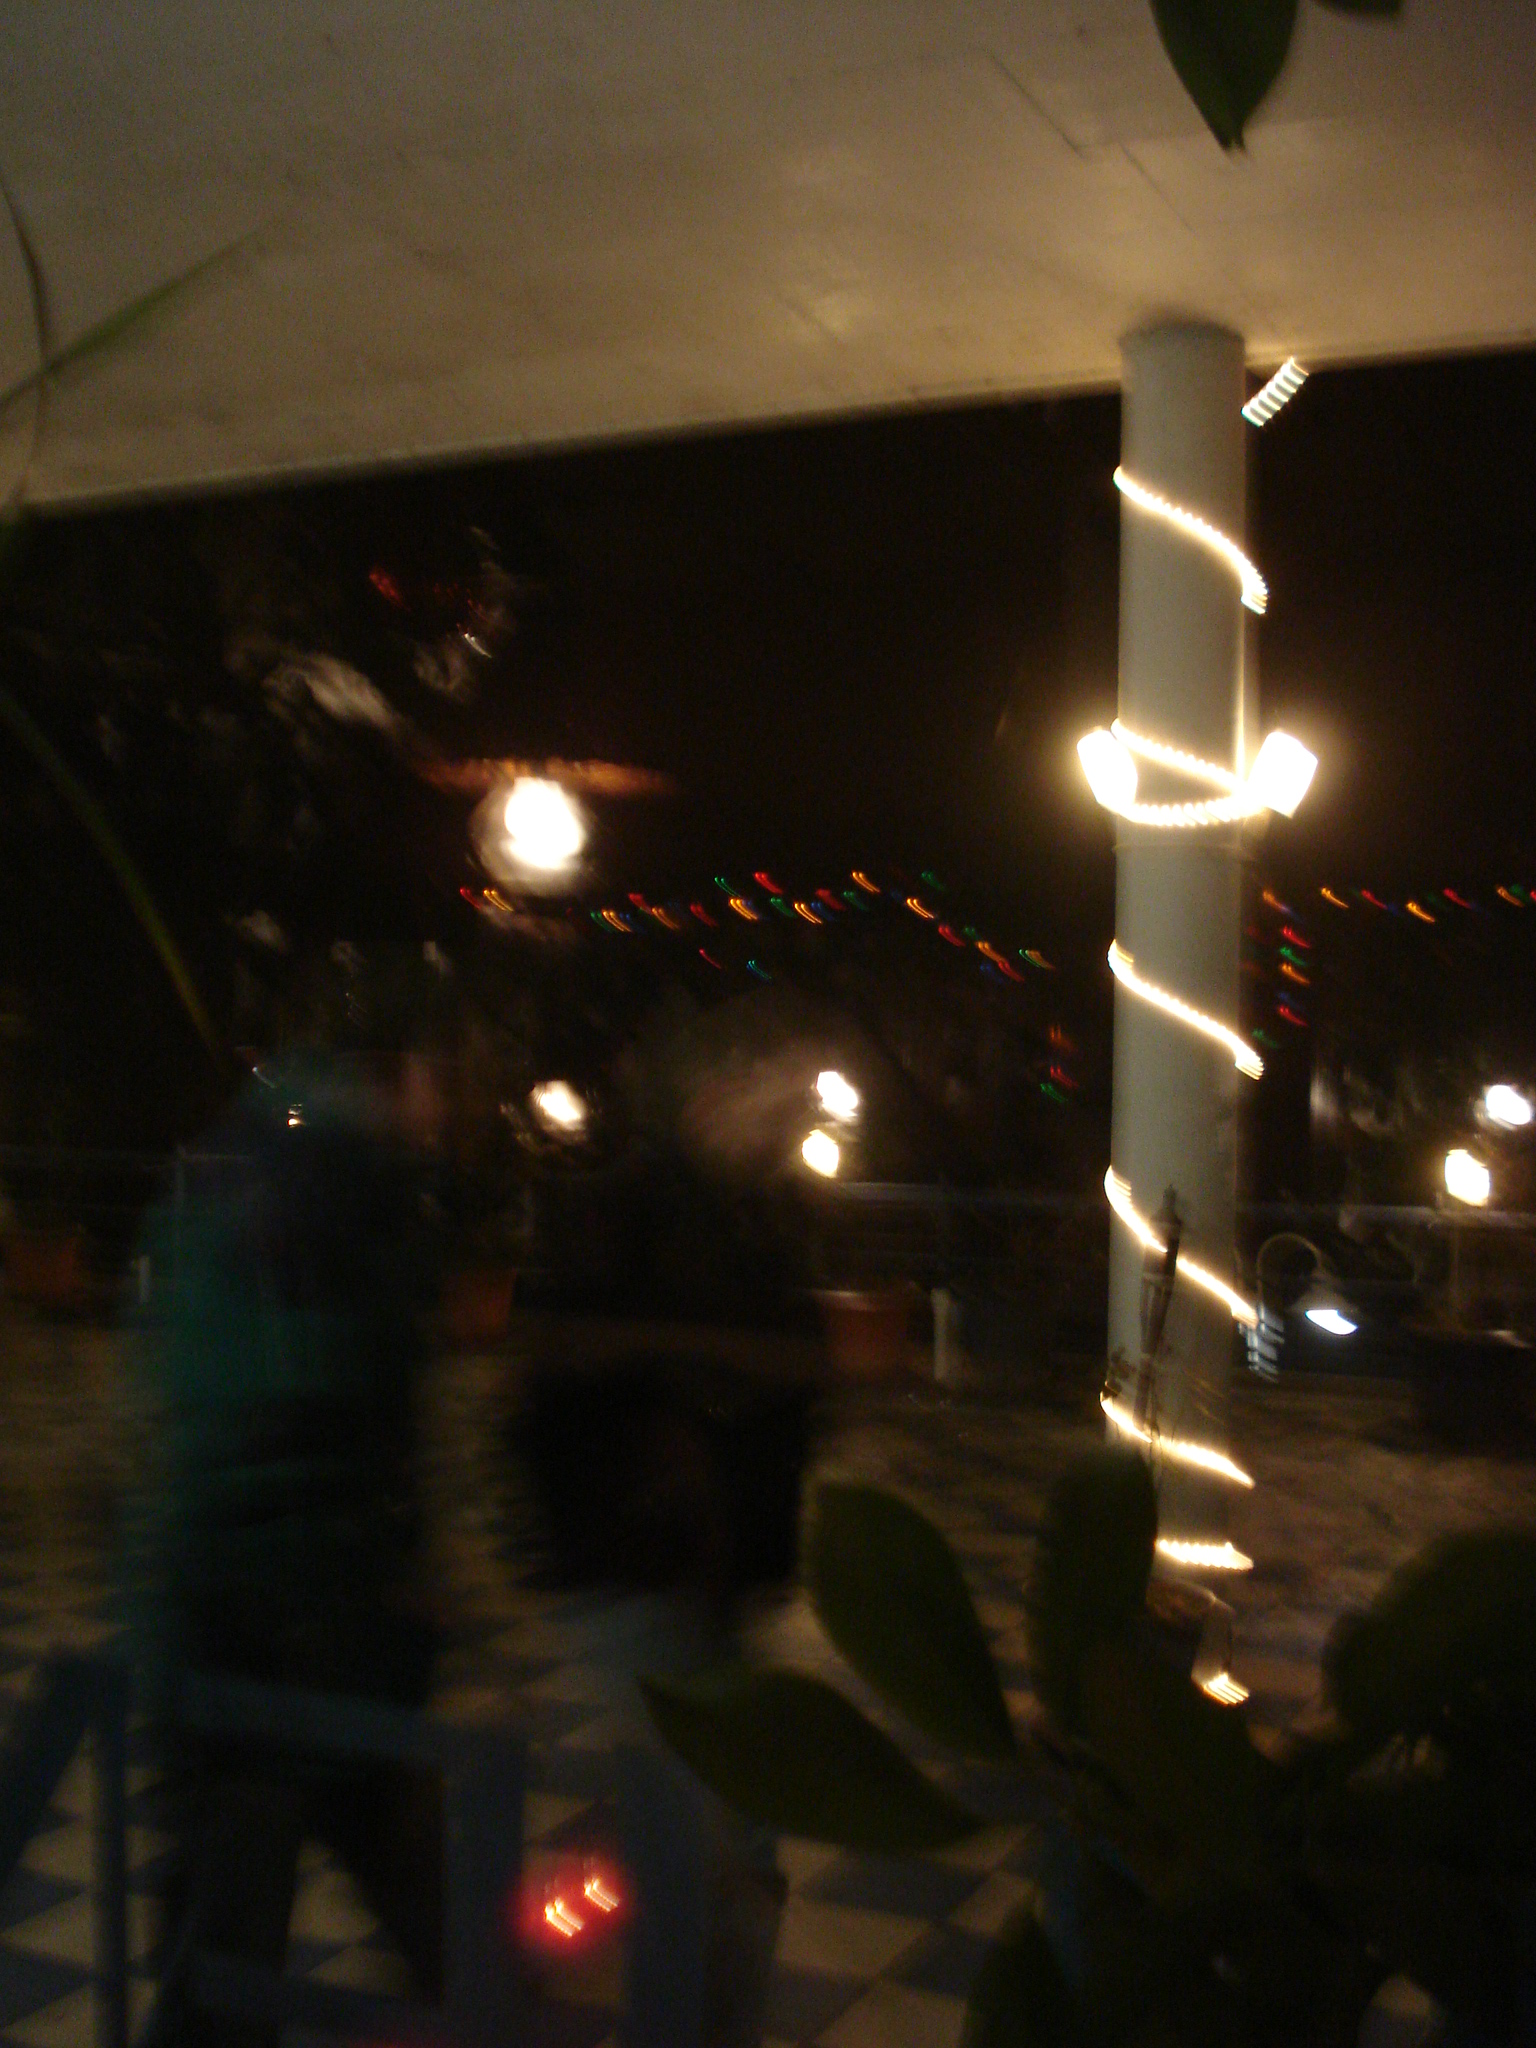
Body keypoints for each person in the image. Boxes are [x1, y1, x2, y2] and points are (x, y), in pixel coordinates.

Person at [120, 1048, 447, 2048]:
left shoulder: (205, 1221)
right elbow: (377, 1433)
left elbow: (190, 1421)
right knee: (433, 1931)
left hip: (231, 1638)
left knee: (222, 1964)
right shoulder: (363, 1235)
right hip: (309, 1642)